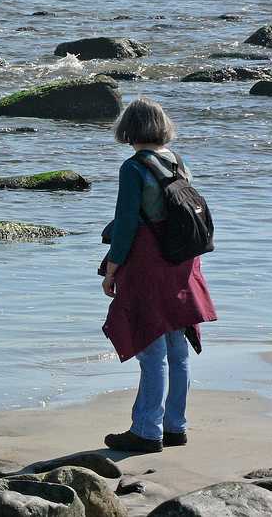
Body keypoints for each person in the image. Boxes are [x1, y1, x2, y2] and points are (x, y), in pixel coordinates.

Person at [101, 97, 217, 454]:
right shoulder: (178, 162)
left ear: (128, 129)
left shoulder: (133, 168)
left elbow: (126, 226)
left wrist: (111, 269)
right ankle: (175, 427)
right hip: (182, 264)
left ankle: (146, 431)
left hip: (149, 266)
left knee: (151, 348)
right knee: (176, 348)